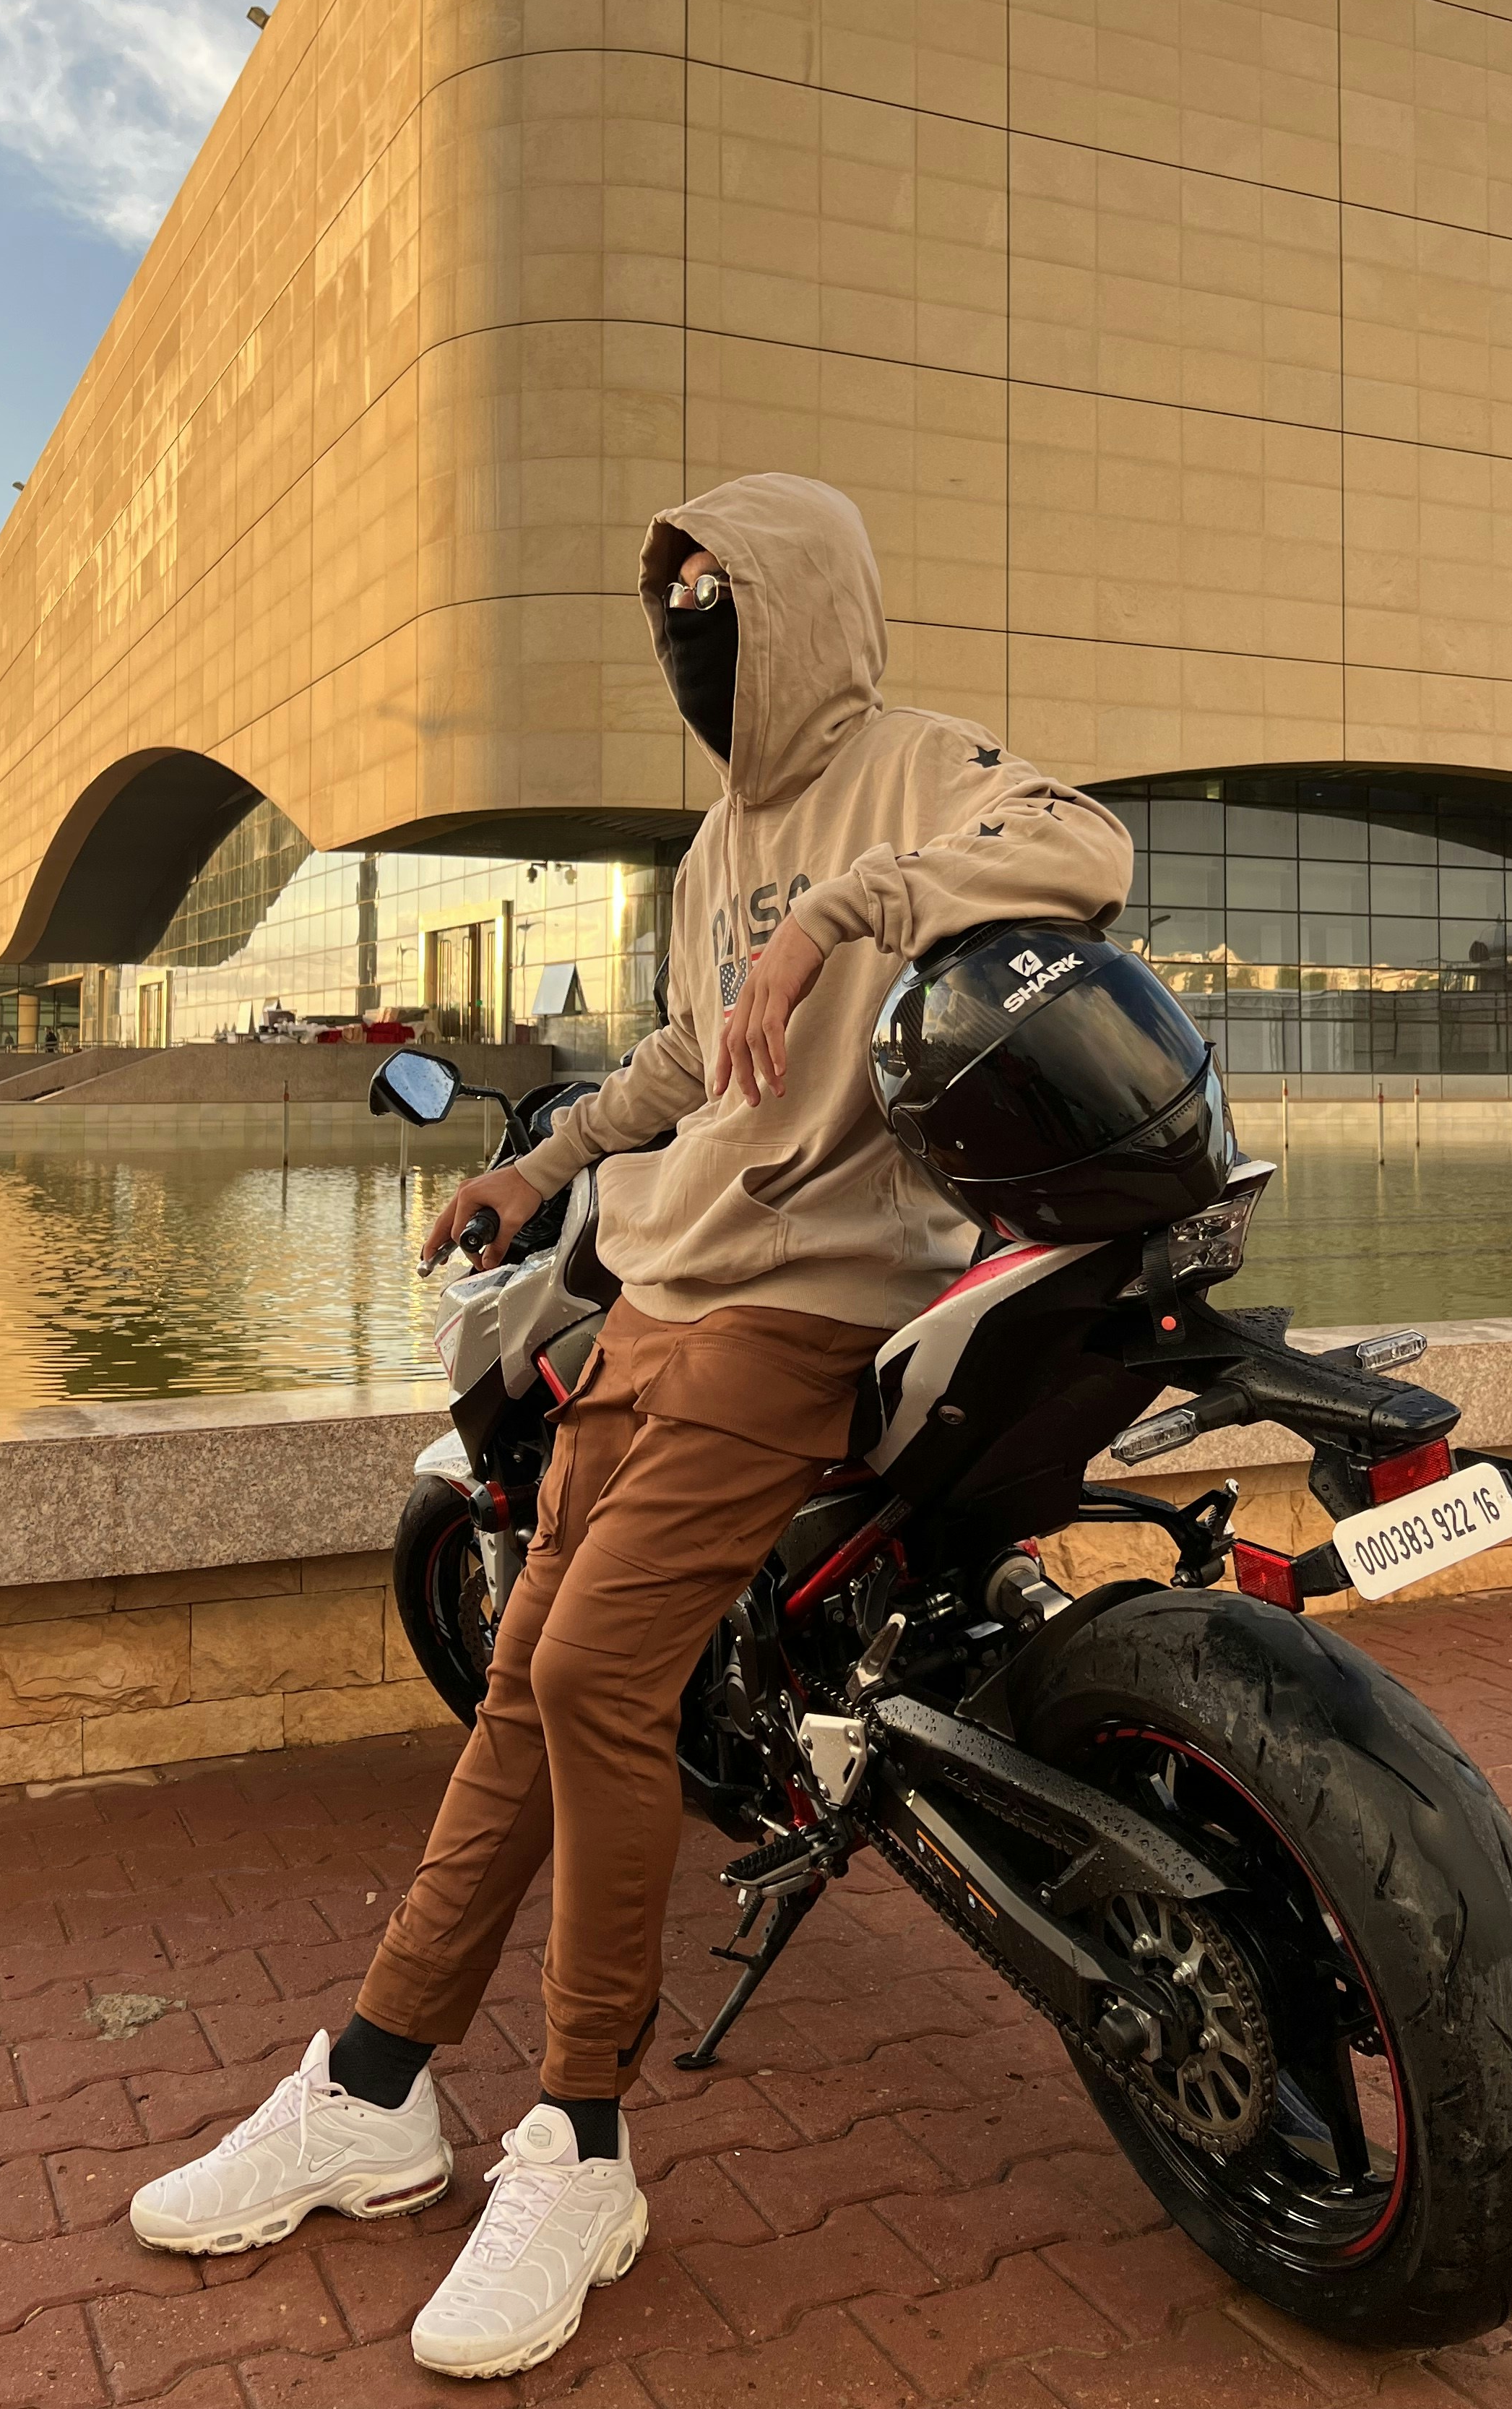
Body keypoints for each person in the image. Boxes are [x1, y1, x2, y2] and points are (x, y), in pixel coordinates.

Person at [129, 473, 1135, 2379]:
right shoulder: (705, 846)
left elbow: (1085, 849)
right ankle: (370, 2083)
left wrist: (840, 917)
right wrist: (554, 1167)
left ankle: (579, 2141)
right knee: (521, 1677)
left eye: (716, 598)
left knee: (593, 1680)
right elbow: (686, 1055)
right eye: (667, 600)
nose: (688, 632)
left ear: (799, 603)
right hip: (649, 1289)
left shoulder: (918, 761)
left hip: (807, 1301)